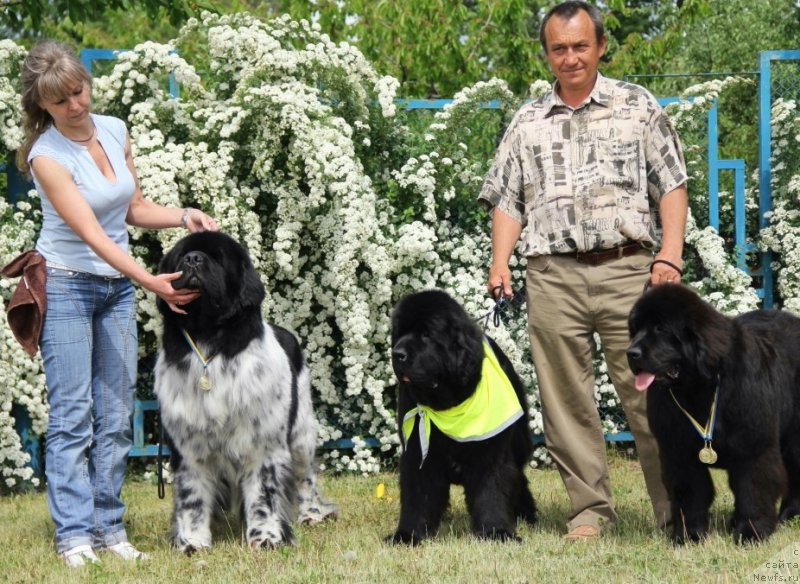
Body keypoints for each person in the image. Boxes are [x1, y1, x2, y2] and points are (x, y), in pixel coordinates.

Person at [479, 1, 688, 541]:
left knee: (651, 394)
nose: (569, 58)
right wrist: (500, 261)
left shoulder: (638, 106)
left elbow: (671, 184)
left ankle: (678, 511)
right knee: (565, 401)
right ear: (547, 54)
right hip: (552, 275)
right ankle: (590, 512)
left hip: (629, 274)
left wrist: (669, 254)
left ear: (598, 47)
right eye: (558, 48)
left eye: (579, 46)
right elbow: (508, 200)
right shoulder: (527, 122)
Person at [16, 40, 218, 567]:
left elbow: (131, 209)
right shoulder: (46, 157)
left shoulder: (114, 128)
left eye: (79, 91)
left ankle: (109, 529)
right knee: (72, 416)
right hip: (65, 283)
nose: (76, 106)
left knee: (114, 413)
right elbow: (91, 235)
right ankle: (74, 538)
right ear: (43, 106)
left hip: (114, 289)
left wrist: (182, 216)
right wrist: (153, 281)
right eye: (61, 102)